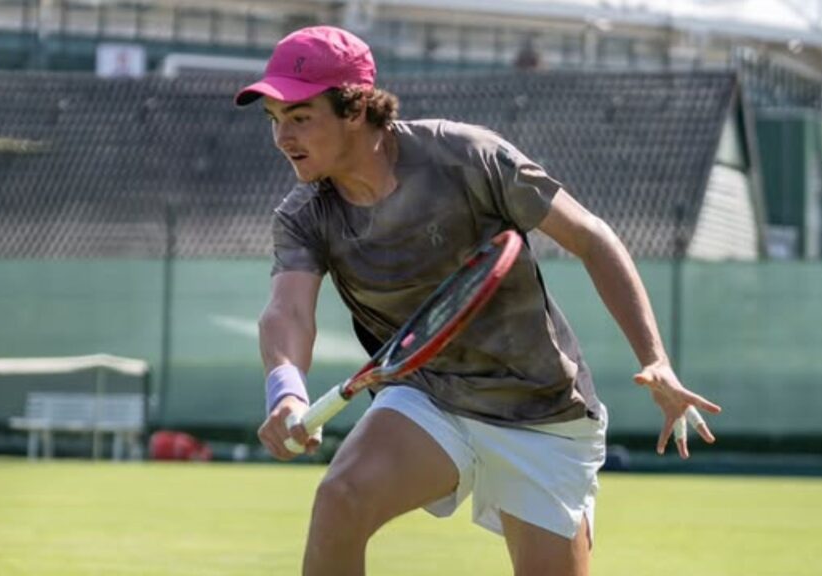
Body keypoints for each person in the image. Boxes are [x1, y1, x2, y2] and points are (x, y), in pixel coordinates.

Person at [236, 25, 722, 576]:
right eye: (275, 120)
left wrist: (654, 358)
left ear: (355, 109)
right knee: (340, 499)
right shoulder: (304, 215)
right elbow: (288, 311)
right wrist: (285, 392)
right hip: (428, 394)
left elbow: (591, 237)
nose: (283, 137)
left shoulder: (469, 157)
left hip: (541, 411)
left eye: (300, 117)